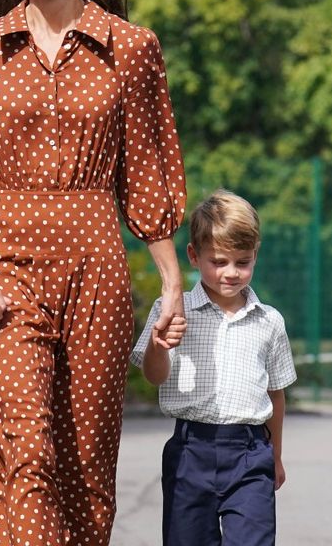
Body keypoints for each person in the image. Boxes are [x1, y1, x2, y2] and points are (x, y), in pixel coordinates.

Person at [0, 0, 188, 545]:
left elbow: (148, 170)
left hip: (97, 271)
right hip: (8, 270)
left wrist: (169, 282)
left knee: (84, 460)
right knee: (28, 449)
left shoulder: (132, 48)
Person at [131, 189, 297, 546]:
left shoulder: (269, 321)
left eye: (243, 261)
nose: (231, 273)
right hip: (191, 451)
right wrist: (160, 347)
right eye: (219, 261)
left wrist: (276, 458)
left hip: (251, 455)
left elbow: (276, 395)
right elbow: (154, 376)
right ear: (194, 255)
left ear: (255, 256)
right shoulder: (172, 309)